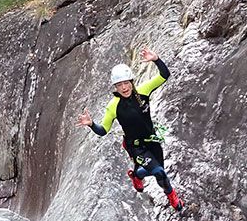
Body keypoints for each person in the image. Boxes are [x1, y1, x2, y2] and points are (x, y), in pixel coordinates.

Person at [76, 48, 184, 211]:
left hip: (152, 142)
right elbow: (103, 130)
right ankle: (173, 198)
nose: (124, 87)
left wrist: (156, 59)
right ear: (115, 86)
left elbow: (164, 75)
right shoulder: (113, 106)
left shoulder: (143, 91)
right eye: (119, 85)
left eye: (126, 83)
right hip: (136, 147)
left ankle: (137, 175)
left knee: (158, 172)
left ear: (131, 82)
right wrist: (91, 124)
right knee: (159, 172)